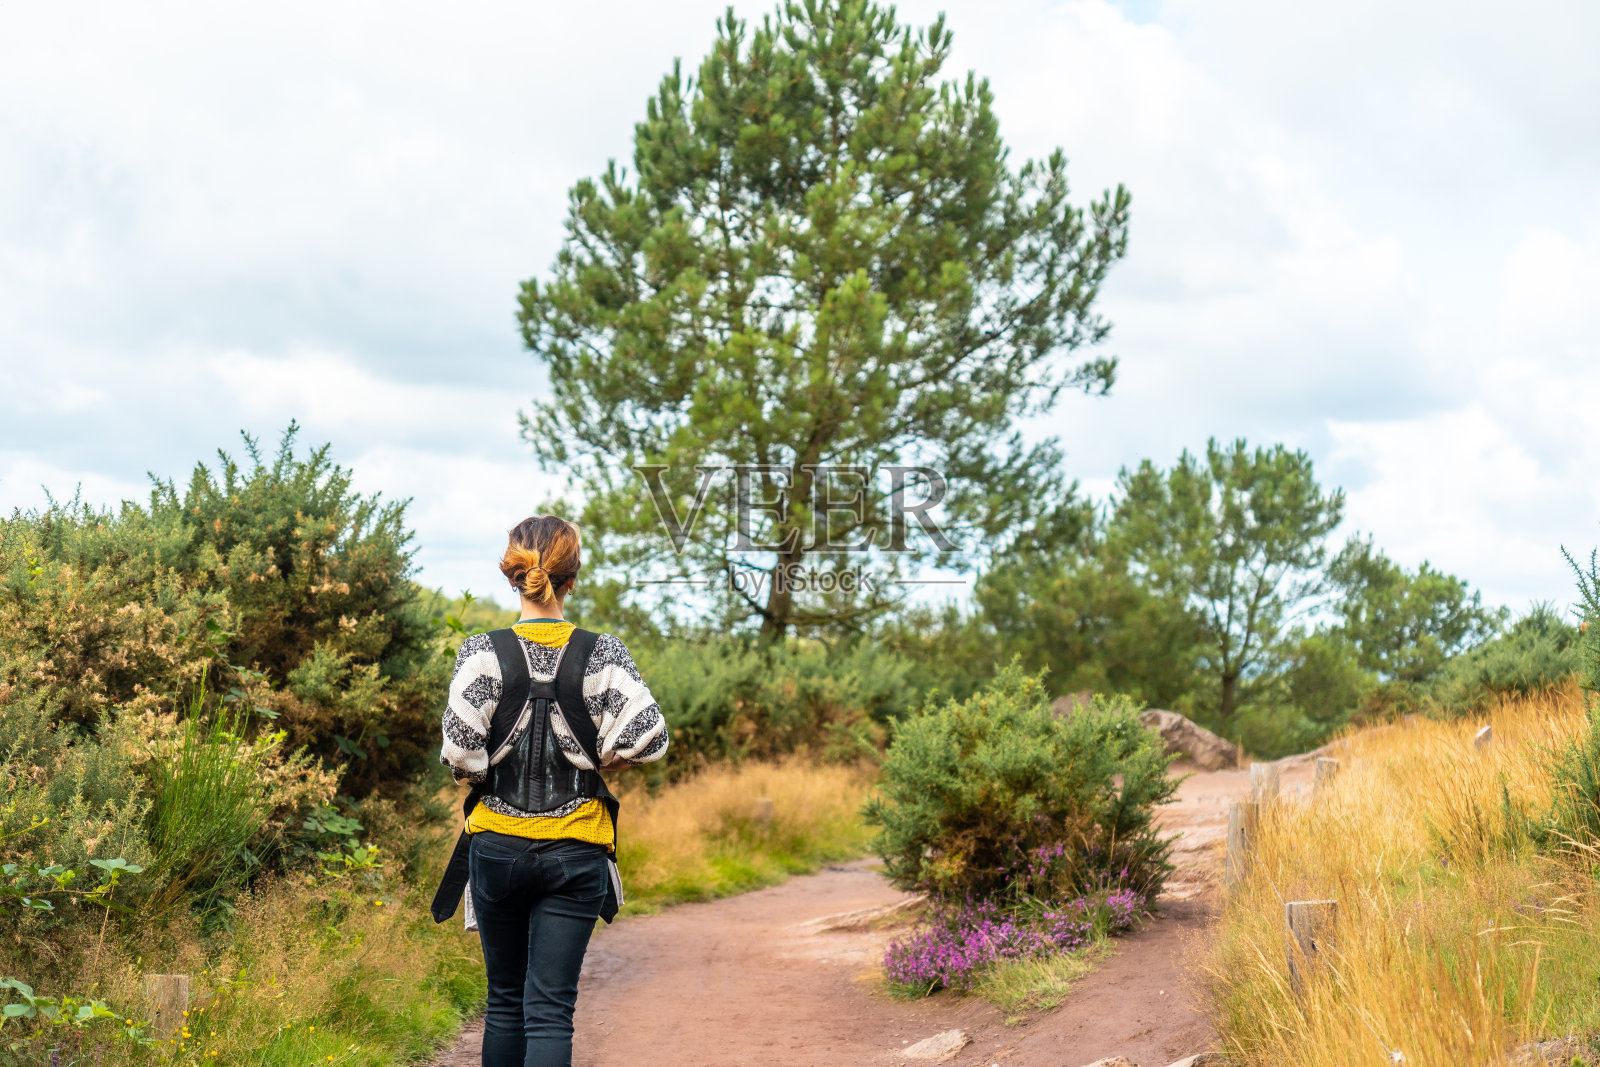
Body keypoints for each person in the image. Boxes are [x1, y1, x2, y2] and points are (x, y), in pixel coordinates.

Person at [436, 515, 668, 1067]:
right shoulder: (604, 653)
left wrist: (482, 773)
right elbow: (650, 740)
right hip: (578, 849)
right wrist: (603, 756)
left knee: (505, 1004)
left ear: (513, 576)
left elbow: (459, 752)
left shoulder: (481, 652)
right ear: (572, 577)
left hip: (495, 848)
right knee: (549, 1012)